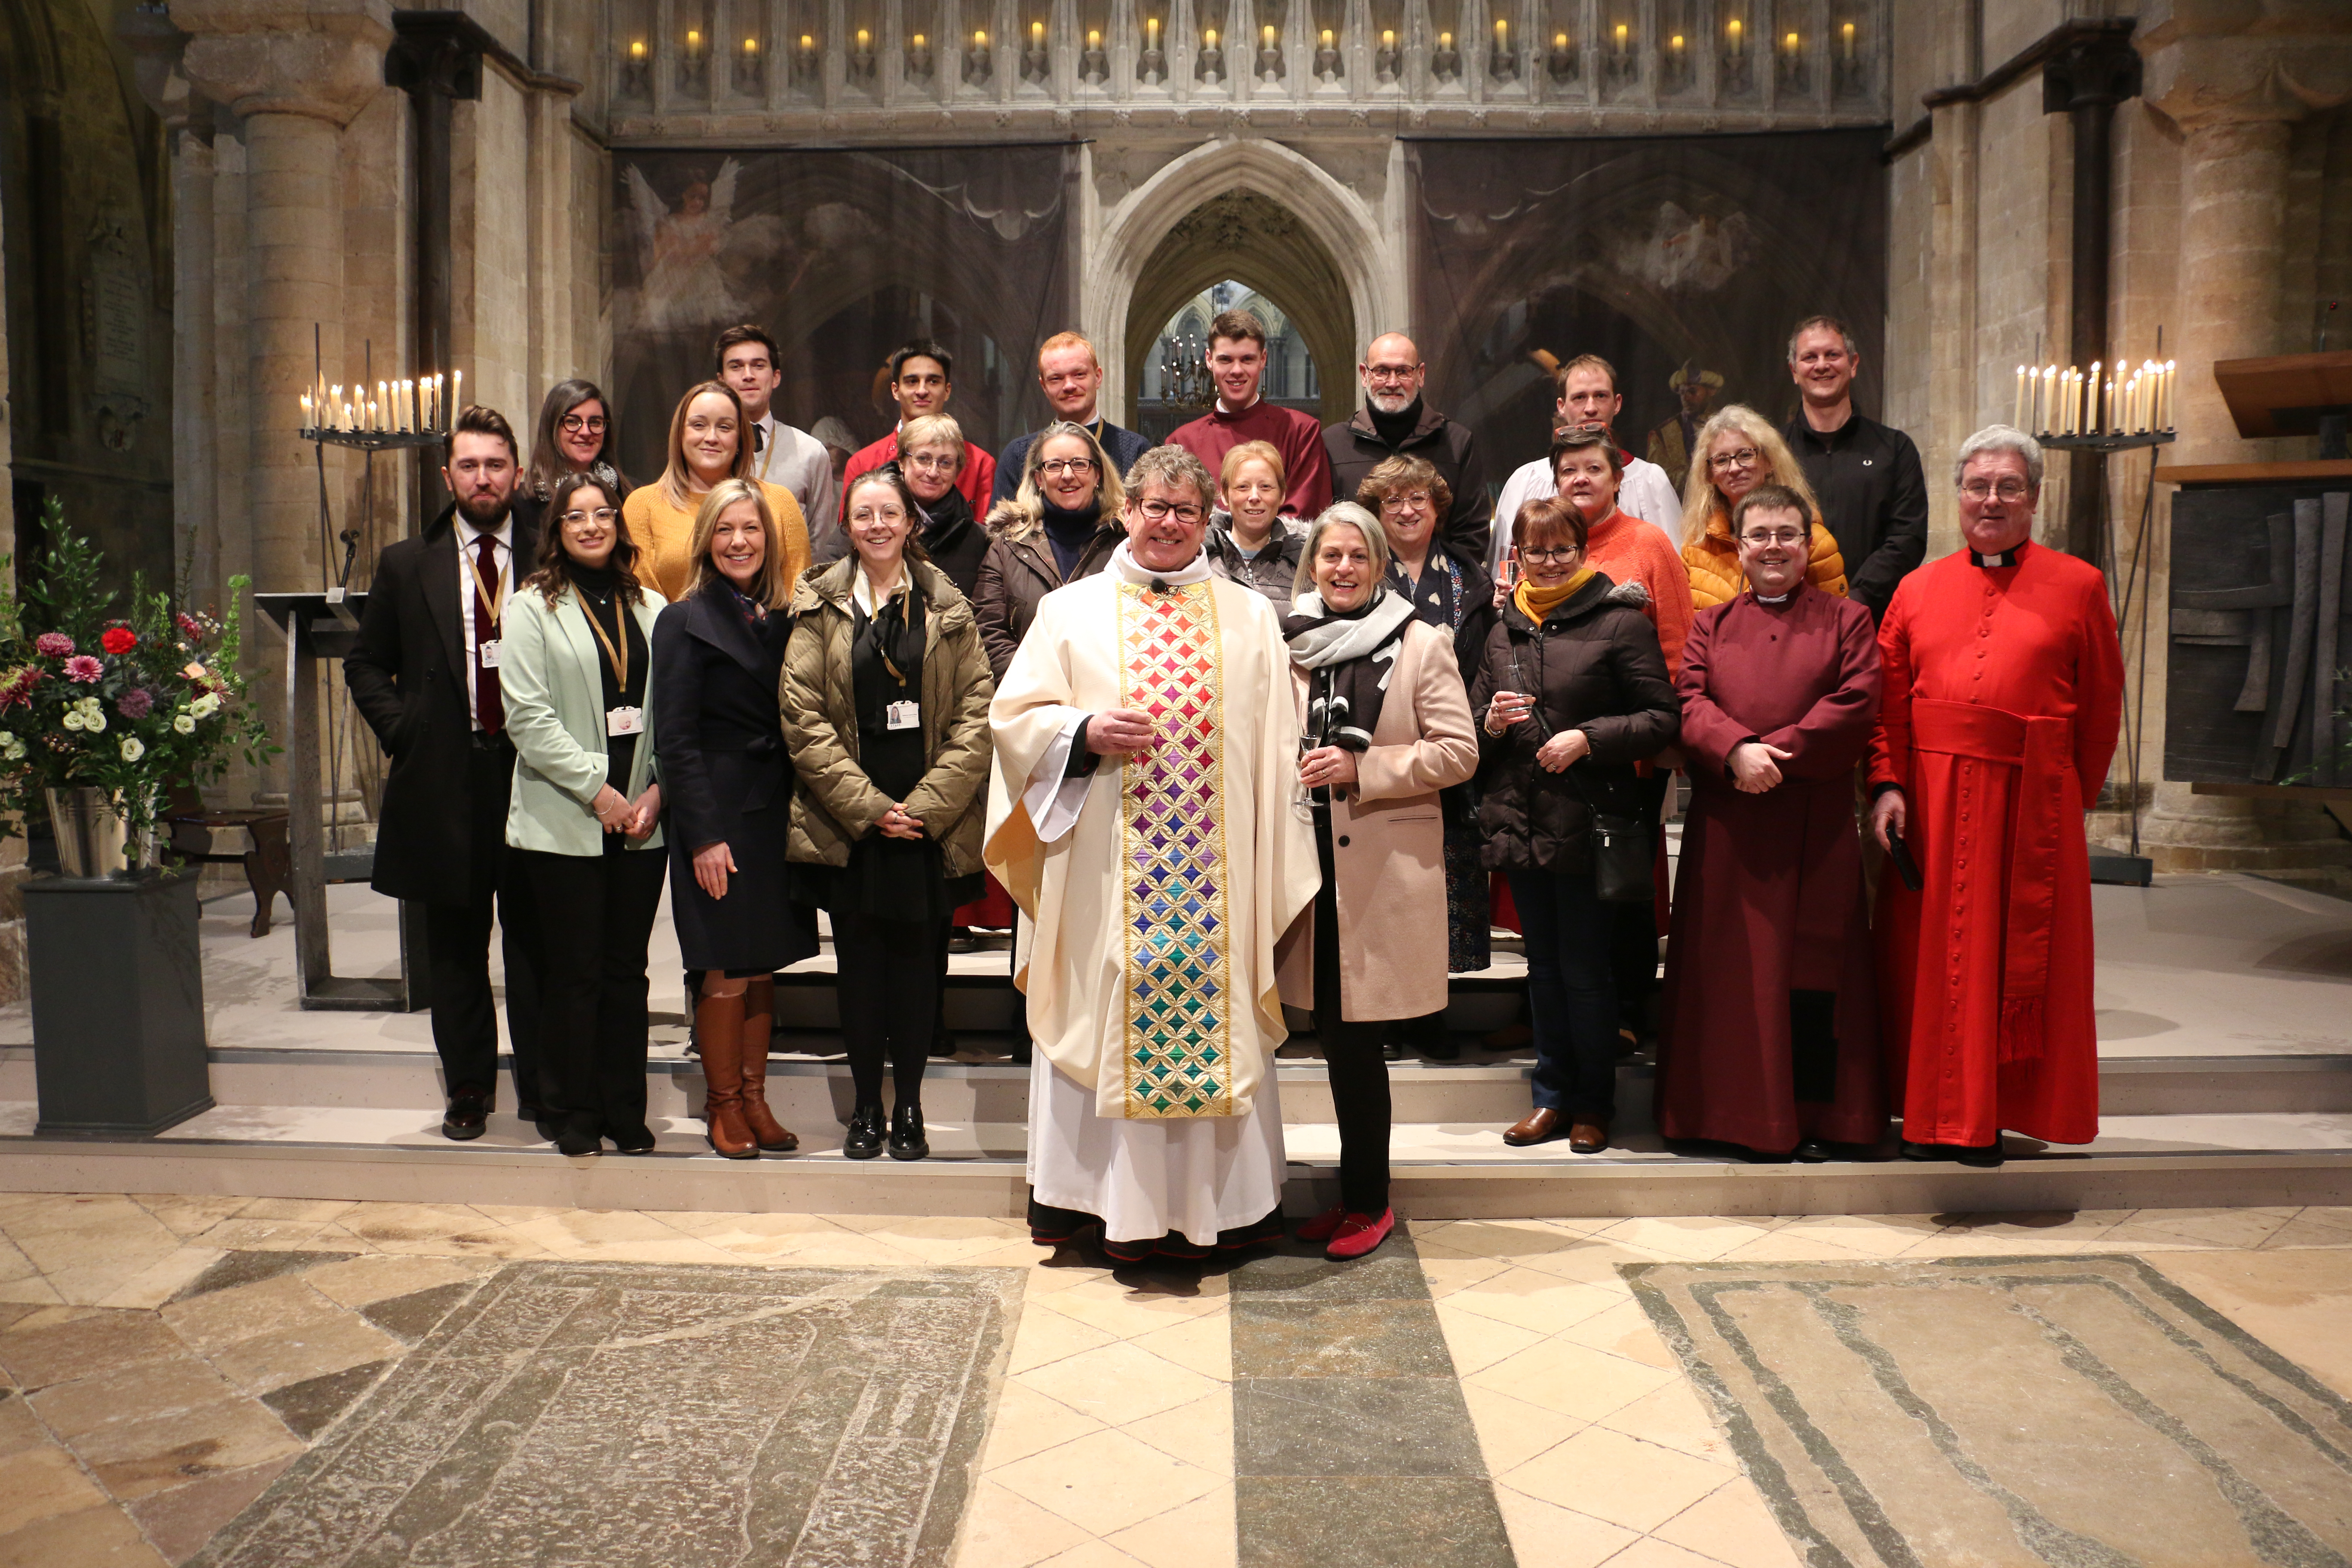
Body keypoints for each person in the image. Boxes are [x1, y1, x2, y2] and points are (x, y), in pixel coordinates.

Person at [985, 445, 1318, 1262]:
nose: (1168, 523)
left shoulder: (1248, 617)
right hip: (1106, 867)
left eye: (1186, 511)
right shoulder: (1069, 610)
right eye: (1154, 506)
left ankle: (1218, 1209)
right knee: (1107, 1005)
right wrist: (1082, 731)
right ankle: (1105, 1208)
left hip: (1219, 878)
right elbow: (1013, 718)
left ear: (1207, 521)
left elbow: (1277, 748)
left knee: (1217, 1009)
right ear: (1125, 510)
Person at [1868, 426, 2122, 1166]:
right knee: (1928, 959)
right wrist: (1886, 783)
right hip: (1932, 796)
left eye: (2008, 486)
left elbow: (2102, 703)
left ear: (2034, 498)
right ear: (1958, 495)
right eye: (1977, 485)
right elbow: (1885, 700)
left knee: (2015, 963)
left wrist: (2068, 797)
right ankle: (1929, 1116)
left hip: (2030, 802)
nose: (1991, 499)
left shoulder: (2079, 584)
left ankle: (1993, 1116)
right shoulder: (1916, 588)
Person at [1657, 484, 1885, 1161]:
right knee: (1727, 976)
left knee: (1810, 977)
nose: (1775, 547)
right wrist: (1734, 751)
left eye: (1789, 533)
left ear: (1808, 542)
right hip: (1730, 825)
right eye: (1760, 536)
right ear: (1742, 547)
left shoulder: (1849, 620)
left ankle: (1815, 1117)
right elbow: (1688, 699)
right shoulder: (1713, 623)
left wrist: (1774, 753)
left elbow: (1857, 701)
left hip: (1813, 828)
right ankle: (1720, 1112)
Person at [1277, 503, 1478, 1257]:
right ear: (1311, 565)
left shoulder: (1421, 642)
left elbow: (1458, 753)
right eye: (1329, 556)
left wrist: (1365, 768)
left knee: (1358, 1046)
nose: (1342, 570)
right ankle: (1351, 1190)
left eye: (1358, 557)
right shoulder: (1291, 644)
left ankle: (1370, 1200)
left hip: (1381, 870)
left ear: (1380, 565)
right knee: (1331, 1039)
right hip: (1307, 866)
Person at [784, 465, 995, 1161]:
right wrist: (872, 808)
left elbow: (976, 715)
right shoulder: (818, 602)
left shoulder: (948, 605)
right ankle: (865, 1110)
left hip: (928, 827)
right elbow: (803, 717)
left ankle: (909, 1107)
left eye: (889, 513)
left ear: (910, 523)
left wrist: (926, 808)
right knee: (859, 975)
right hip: (853, 826)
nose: (877, 525)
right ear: (847, 524)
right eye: (864, 514)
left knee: (918, 977)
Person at [346, 405, 545, 1141]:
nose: (484, 477)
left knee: (537, 938)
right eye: (470, 465)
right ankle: (468, 1086)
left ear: (516, 472)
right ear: (447, 475)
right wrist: (406, 732)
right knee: (455, 947)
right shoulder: (407, 561)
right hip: (445, 775)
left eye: (496, 464)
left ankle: (542, 1082)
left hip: (534, 772)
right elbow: (365, 662)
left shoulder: (548, 549)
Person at [1473, 496, 1679, 1154]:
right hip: (1525, 822)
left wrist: (1587, 738)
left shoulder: (1622, 623)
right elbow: (1474, 717)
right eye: (1537, 551)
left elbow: (1660, 718)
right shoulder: (1503, 629)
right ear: (1520, 557)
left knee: (1588, 973)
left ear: (1583, 551)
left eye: (1563, 549)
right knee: (1544, 972)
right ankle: (1550, 1097)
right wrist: (1491, 721)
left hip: (1590, 825)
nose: (1550, 561)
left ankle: (1594, 1104)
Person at [498, 473, 668, 1158]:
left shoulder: (655, 607)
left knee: (629, 971)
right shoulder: (530, 608)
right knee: (574, 973)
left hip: (642, 821)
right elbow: (527, 719)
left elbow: (672, 715)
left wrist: (655, 791)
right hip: (564, 819)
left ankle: (626, 1108)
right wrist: (601, 793)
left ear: (620, 526)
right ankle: (573, 1110)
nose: (593, 526)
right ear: (558, 530)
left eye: (604, 515)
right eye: (577, 517)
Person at [651, 478, 817, 1158]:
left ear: (770, 540)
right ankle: (723, 1106)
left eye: (751, 530)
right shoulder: (682, 619)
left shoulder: (781, 617)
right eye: (725, 530)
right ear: (706, 541)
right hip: (717, 815)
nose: (740, 542)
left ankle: (756, 1098)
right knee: (722, 965)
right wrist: (703, 836)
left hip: (773, 810)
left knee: (761, 965)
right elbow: (675, 739)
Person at [1357, 453, 1497, 1055]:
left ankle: (1430, 1014)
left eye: (1419, 499)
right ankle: (1384, 1015)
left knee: (1438, 887)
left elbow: (1487, 654)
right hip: (1378, 748)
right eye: (1393, 501)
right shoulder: (1360, 570)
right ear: (1376, 512)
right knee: (1385, 886)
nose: (1407, 510)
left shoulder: (1468, 575)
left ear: (1438, 508)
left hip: (1452, 746)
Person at [1781, 315, 1928, 619]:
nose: (1822, 365)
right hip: (1789, 619)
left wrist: (1856, 599)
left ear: (1854, 363)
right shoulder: (1774, 452)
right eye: (1810, 357)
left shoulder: (1895, 449)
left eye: (1833, 355)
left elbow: (1907, 538)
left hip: (1874, 618)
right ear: (1795, 371)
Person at [1490, 354, 1682, 582]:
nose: (1590, 408)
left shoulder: (1651, 480)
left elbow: (1673, 571)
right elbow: (1502, 571)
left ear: (1617, 403)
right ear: (1561, 406)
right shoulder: (1525, 480)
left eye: (1600, 396)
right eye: (1579, 397)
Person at [624, 380, 812, 606]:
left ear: (741, 438)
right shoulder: (642, 505)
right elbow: (646, 606)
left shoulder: (780, 502)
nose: (711, 437)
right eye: (699, 425)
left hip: (769, 639)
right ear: (680, 434)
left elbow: (799, 600)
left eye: (725, 427)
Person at [1323, 332, 1494, 564]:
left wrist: (1437, 588)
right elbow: (1322, 531)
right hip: (1355, 591)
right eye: (1382, 371)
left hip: (1440, 594)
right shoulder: (1333, 444)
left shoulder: (1457, 443)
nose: (1392, 383)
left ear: (1421, 375)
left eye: (1403, 371)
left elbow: (1471, 535)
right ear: (1365, 375)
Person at [975, 421, 1127, 680]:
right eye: (1054, 466)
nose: (1068, 475)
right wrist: (1040, 687)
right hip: (1030, 703)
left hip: (1109, 698)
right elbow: (989, 631)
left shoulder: (1126, 540)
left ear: (1098, 474)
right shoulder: (1007, 546)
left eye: (1080, 464)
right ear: (1039, 479)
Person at [1167, 308, 1333, 519]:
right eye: (1226, 360)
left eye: (1247, 359)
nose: (1236, 370)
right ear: (1209, 360)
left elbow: (1305, 517)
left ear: (1263, 359)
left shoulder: (1301, 431)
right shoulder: (1181, 443)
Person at [1678, 405, 1848, 610]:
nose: (1734, 468)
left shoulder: (1815, 542)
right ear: (1710, 474)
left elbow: (1837, 622)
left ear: (1769, 462)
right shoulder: (1696, 546)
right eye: (1721, 460)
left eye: (1745, 455)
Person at [715, 323, 842, 562]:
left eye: (758, 365)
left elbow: (820, 547)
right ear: (721, 380)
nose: (748, 375)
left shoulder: (810, 452)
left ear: (776, 377)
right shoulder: (706, 452)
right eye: (736, 366)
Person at [992, 332, 1154, 508]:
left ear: (1098, 377)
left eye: (1079, 375)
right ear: (1044, 387)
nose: (1069, 386)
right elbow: (1002, 530)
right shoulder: (1018, 455)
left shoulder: (1137, 450)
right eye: (1056, 379)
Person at [839, 341, 996, 516]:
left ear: (947, 391)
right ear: (896, 391)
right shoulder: (863, 463)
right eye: (912, 381)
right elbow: (849, 533)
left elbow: (986, 539)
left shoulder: (980, 463)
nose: (922, 391)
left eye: (933, 381)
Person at [515, 379, 630, 540]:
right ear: (552, 427)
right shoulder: (522, 503)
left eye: (595, 422)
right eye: (572, 422)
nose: (585, 432)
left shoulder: (630, 497)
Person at [1204, 440, 1303, 606]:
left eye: (1266, 487)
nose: (1254, 497)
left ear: (1282, 495)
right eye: (1243, 487)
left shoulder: (1305, 562)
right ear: (1225, 495)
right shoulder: (1199, 554)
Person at [900, 414, 988, 596]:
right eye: (923, 459)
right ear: (902, 462)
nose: (933, 472)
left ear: (958, 471)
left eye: (945, 463)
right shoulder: (867, 520)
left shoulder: (980, 540)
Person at [1645, 362, 1723, 493]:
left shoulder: (1727, 426)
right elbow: (1655, 479)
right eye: (1682, 393)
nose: (1686, 398)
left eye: (1692, 392)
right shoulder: (1662, 434)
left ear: (1711, 391)